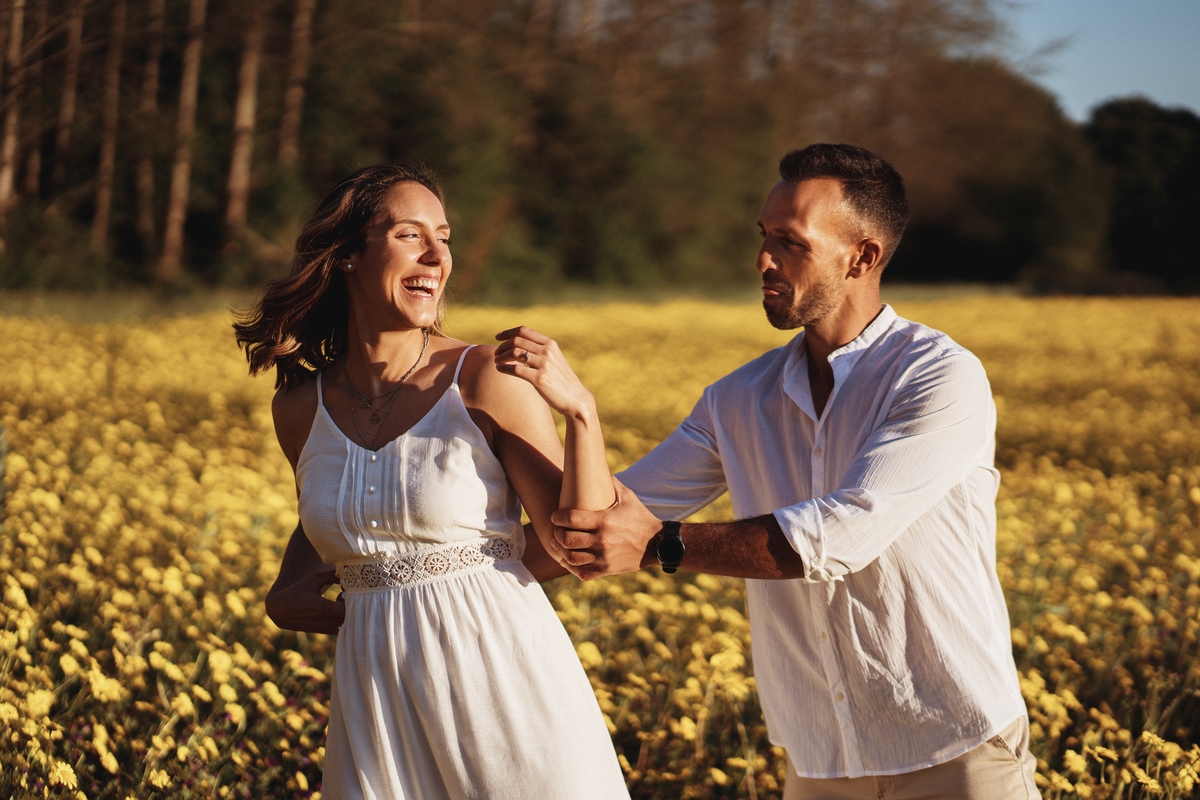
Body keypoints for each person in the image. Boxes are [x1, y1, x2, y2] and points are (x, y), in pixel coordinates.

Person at [515, 144, 1040, 799]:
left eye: (790, 243)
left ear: (864, 256)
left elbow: (842, 534)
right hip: (820, 760)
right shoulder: (737, 398)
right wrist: (580, 416)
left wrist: (659, 546)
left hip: (954, 751)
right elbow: (599, 525)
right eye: (764, 237)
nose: (763, 260)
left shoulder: (936, 375)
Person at [234, 164, 629, 799]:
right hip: (376, 695)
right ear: (346, 257)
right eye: (409, 235)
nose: (437, 255)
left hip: (501, 675)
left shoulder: (484, 378)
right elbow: (349, 507)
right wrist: (288, 585)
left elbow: (576, 542)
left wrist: (581, 411)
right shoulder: (299, 408)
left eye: (443, 237)